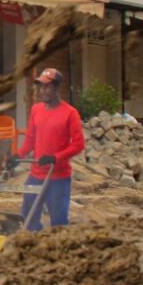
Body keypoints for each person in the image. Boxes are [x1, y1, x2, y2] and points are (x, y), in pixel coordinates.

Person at [13, 68, 84, 231]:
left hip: (58, 177)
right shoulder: (36, 110)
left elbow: (78, 144)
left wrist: (55, 157)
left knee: (58, 222)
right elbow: (30, 140)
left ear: (57, 88)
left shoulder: (70, 113)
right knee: (28, 216)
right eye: (41, 87)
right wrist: (17, 155)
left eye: (47, 87)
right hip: (36, 175)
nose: (42, 91)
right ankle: (35, 245)